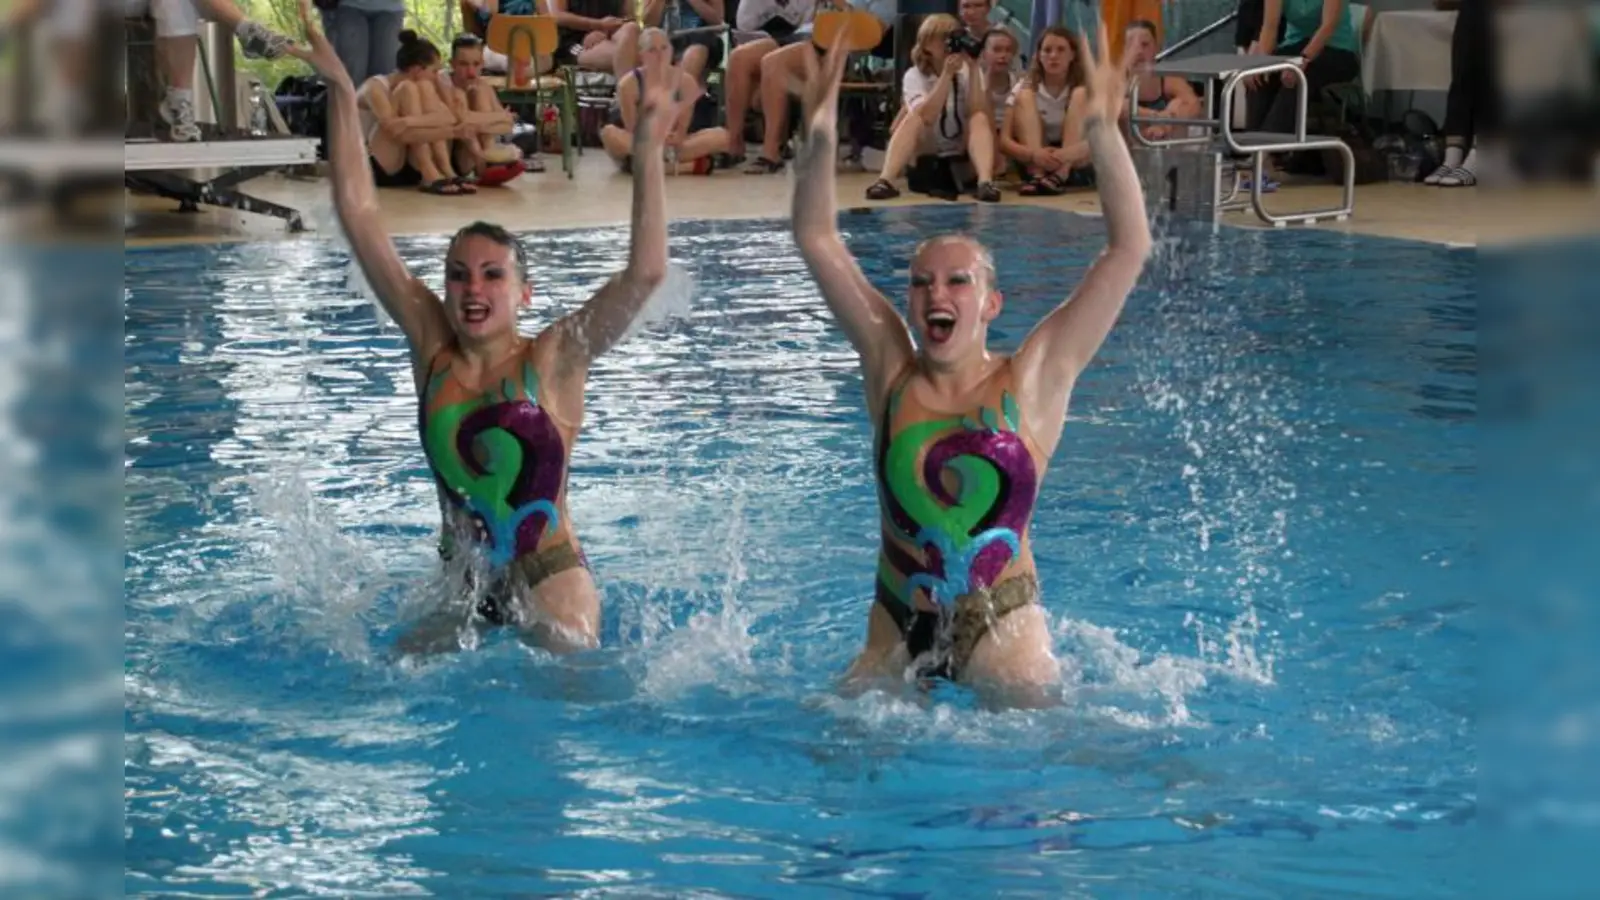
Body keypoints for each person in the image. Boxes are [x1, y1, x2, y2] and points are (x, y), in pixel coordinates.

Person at [289, 0, 679, 654]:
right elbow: (359, 215)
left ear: (524, 293)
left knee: (570, 690)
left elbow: (644, 273)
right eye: (459, 275)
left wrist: (648, 148)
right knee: (391, 674)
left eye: (492, 275)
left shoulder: (555, 356)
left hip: (549, 576)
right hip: (462, 584)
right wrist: (337, 88)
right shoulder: (431, 341)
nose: (473, 290)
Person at [788, 26, 1152, 706]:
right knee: (827, 764)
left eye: (957, 282)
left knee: (1036, 782)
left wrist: (1103, 129)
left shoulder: (1032, 378)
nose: (936, 295)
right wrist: (817, 128)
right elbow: (816, 237)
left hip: (1001, 630)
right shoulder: (890, 369)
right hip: (895, 628)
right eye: (922, 283)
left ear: (990, 304)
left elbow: (1128, 248)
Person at [359, 30, 479, 195]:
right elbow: (396, 132)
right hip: (377, 166)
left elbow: (449, 117)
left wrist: (409, 121)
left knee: (422, 89)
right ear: (417, 70)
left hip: (409, 165)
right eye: (434, 71)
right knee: (408, 88)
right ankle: (429, 172)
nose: (437, 77)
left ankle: (445, 171)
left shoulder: (425, 86)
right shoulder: (375, 87)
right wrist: (452, 131)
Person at [600, 27, 729, 174]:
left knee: (723, 137)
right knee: (609, 134)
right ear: (642, 54)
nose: (660, 55)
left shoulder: (686, 82)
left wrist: (675, 136)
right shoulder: (628, 85)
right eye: (652, 50)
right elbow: (632, 128)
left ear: (671, 51)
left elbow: (682, 129)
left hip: (672, 143)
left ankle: (646, 165)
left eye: (664, 48)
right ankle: (684, 166)